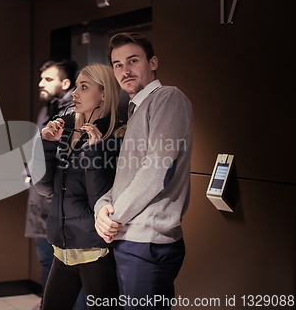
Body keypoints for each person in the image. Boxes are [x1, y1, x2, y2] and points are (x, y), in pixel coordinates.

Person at [94, 33, 193, 310]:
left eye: (133, 60)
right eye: (117, 64)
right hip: (131, 238)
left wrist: (115, 217)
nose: (124, 70)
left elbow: (156, 170)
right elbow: (126, 179)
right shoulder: (136, 109)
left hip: (148, 242)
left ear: (152, 62)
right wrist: (102, 208)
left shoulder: (168, 98)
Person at [33, 64, 124, 310]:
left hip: (96, 250)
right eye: (76, 86)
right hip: (64, 246)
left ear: (104, 94)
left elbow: (100, 200)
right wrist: (47, 145)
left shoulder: (114, 135)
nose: (75, 93)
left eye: (84, 87)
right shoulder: (66, 126)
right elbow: (44, 188)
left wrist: (95, 152)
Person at [24, 59, 78, 299]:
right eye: (41, 78)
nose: (40, 84)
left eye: (48, 79)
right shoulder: (47, 109)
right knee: (46, 259)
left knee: (67, 263)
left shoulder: (73, 112)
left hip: (59, 199)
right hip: (40, 197)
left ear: (65, 83)